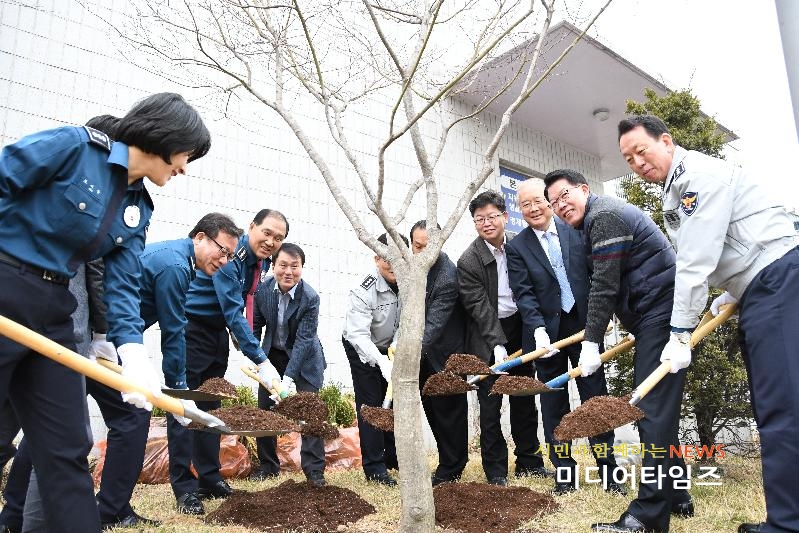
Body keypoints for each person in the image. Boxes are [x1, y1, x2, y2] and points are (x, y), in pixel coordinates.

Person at [0, 92, 210, 532]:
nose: (184, 167)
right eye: (186, 154)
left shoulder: (137, 207)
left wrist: (133, 354)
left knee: (66, 448)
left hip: (55, 308)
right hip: (5, 285)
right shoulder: (74, 147)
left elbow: (123, 285)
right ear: (166, 138)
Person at [617, 115, 799, 533]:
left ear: (666, 141)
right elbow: (733, 239)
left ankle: (788, 525)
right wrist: (736, 287)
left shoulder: (696, 177)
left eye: (641, 151)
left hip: (777, 284)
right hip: (763, 285)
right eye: (628, 159)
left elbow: (695, 259)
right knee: (775, 405)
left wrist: (680, 332)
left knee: (783, 408)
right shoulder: (677, 187)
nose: (637, 163)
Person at [544, 169, 693, 533]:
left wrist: (590, 341)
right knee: (659, 411)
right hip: (653, 316)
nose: (560, 205)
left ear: (584, 189)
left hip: (662, 314)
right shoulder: (592, 221)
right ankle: (677, 495)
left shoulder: (604, 216)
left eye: (564, 196)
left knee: (649, 409)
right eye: (554, 203)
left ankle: (647, 516)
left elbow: (605, 284)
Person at [505, 178, 624, 496]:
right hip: (546, 338)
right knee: (553, 406)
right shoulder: (517, 247)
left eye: (537, 201)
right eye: (525, 204)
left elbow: (598, 275)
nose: (533, 208)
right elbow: (524, 293)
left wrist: (604, 317)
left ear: (549, 201)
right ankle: (565, 474)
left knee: (595, 402)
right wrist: (537, 329)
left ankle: (609, 472)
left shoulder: (576, 229)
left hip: (585, 329)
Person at [171, 209, 286, 513]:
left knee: (211, 407)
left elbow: (244, 303)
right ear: (252, 227)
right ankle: (184, 489)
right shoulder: (232, 257)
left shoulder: (261, 262)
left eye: (278, 238)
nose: (271, 241)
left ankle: (209, 479)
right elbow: (233, 311)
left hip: (216, 332)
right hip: (191, 329)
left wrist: (242, 340)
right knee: (184, 408)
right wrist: (261, 359)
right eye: (267, 233)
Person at [457, 190, 549, 486]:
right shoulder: (469, 260)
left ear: (505, 217)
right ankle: (495, 470)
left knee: (524, 395)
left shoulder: (519, 245)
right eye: (479, 219)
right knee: (490, 403)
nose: (486, 223)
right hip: (487, 333)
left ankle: (530, 461)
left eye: (492, 217)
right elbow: (478, 307)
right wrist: (496, 343)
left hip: (520, 328)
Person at [250, 243, 327, 486]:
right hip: (273, 355)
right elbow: (255, 327)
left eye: (295, 266)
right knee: (265, 411)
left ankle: (314, 470)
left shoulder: (310, 298)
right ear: (273, 266)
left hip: (305, 359)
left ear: (302, 268)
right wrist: (256, 358)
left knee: (310, 412)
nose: (288, 272)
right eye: (283, 265)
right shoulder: (262, 291)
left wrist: (289, 379)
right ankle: (268, 466)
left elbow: (304, 341)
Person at [409, 221, 469, 485]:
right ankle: (447, 461)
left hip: (446, 354)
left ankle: (452, 468)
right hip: (424, 355)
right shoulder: (412, 266)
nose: (422, 252)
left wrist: (408, 353)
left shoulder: (447, 276)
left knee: (450, 413)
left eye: (428, 247)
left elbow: (434, 323)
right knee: (433, 411)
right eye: (417, 246)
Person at [342, 233, 403, 486]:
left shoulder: (410, 283)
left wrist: (396, 347)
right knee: (371, 404)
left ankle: (393, 458)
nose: (392, 263)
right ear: (377, 259)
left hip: (391, 346)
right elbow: (358, 335)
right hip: (361, 346)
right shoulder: (363, 289)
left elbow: (408, 320)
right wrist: (380, 361)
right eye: (386, 258)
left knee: (395, 402)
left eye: (397, 257)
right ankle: (375, 467)